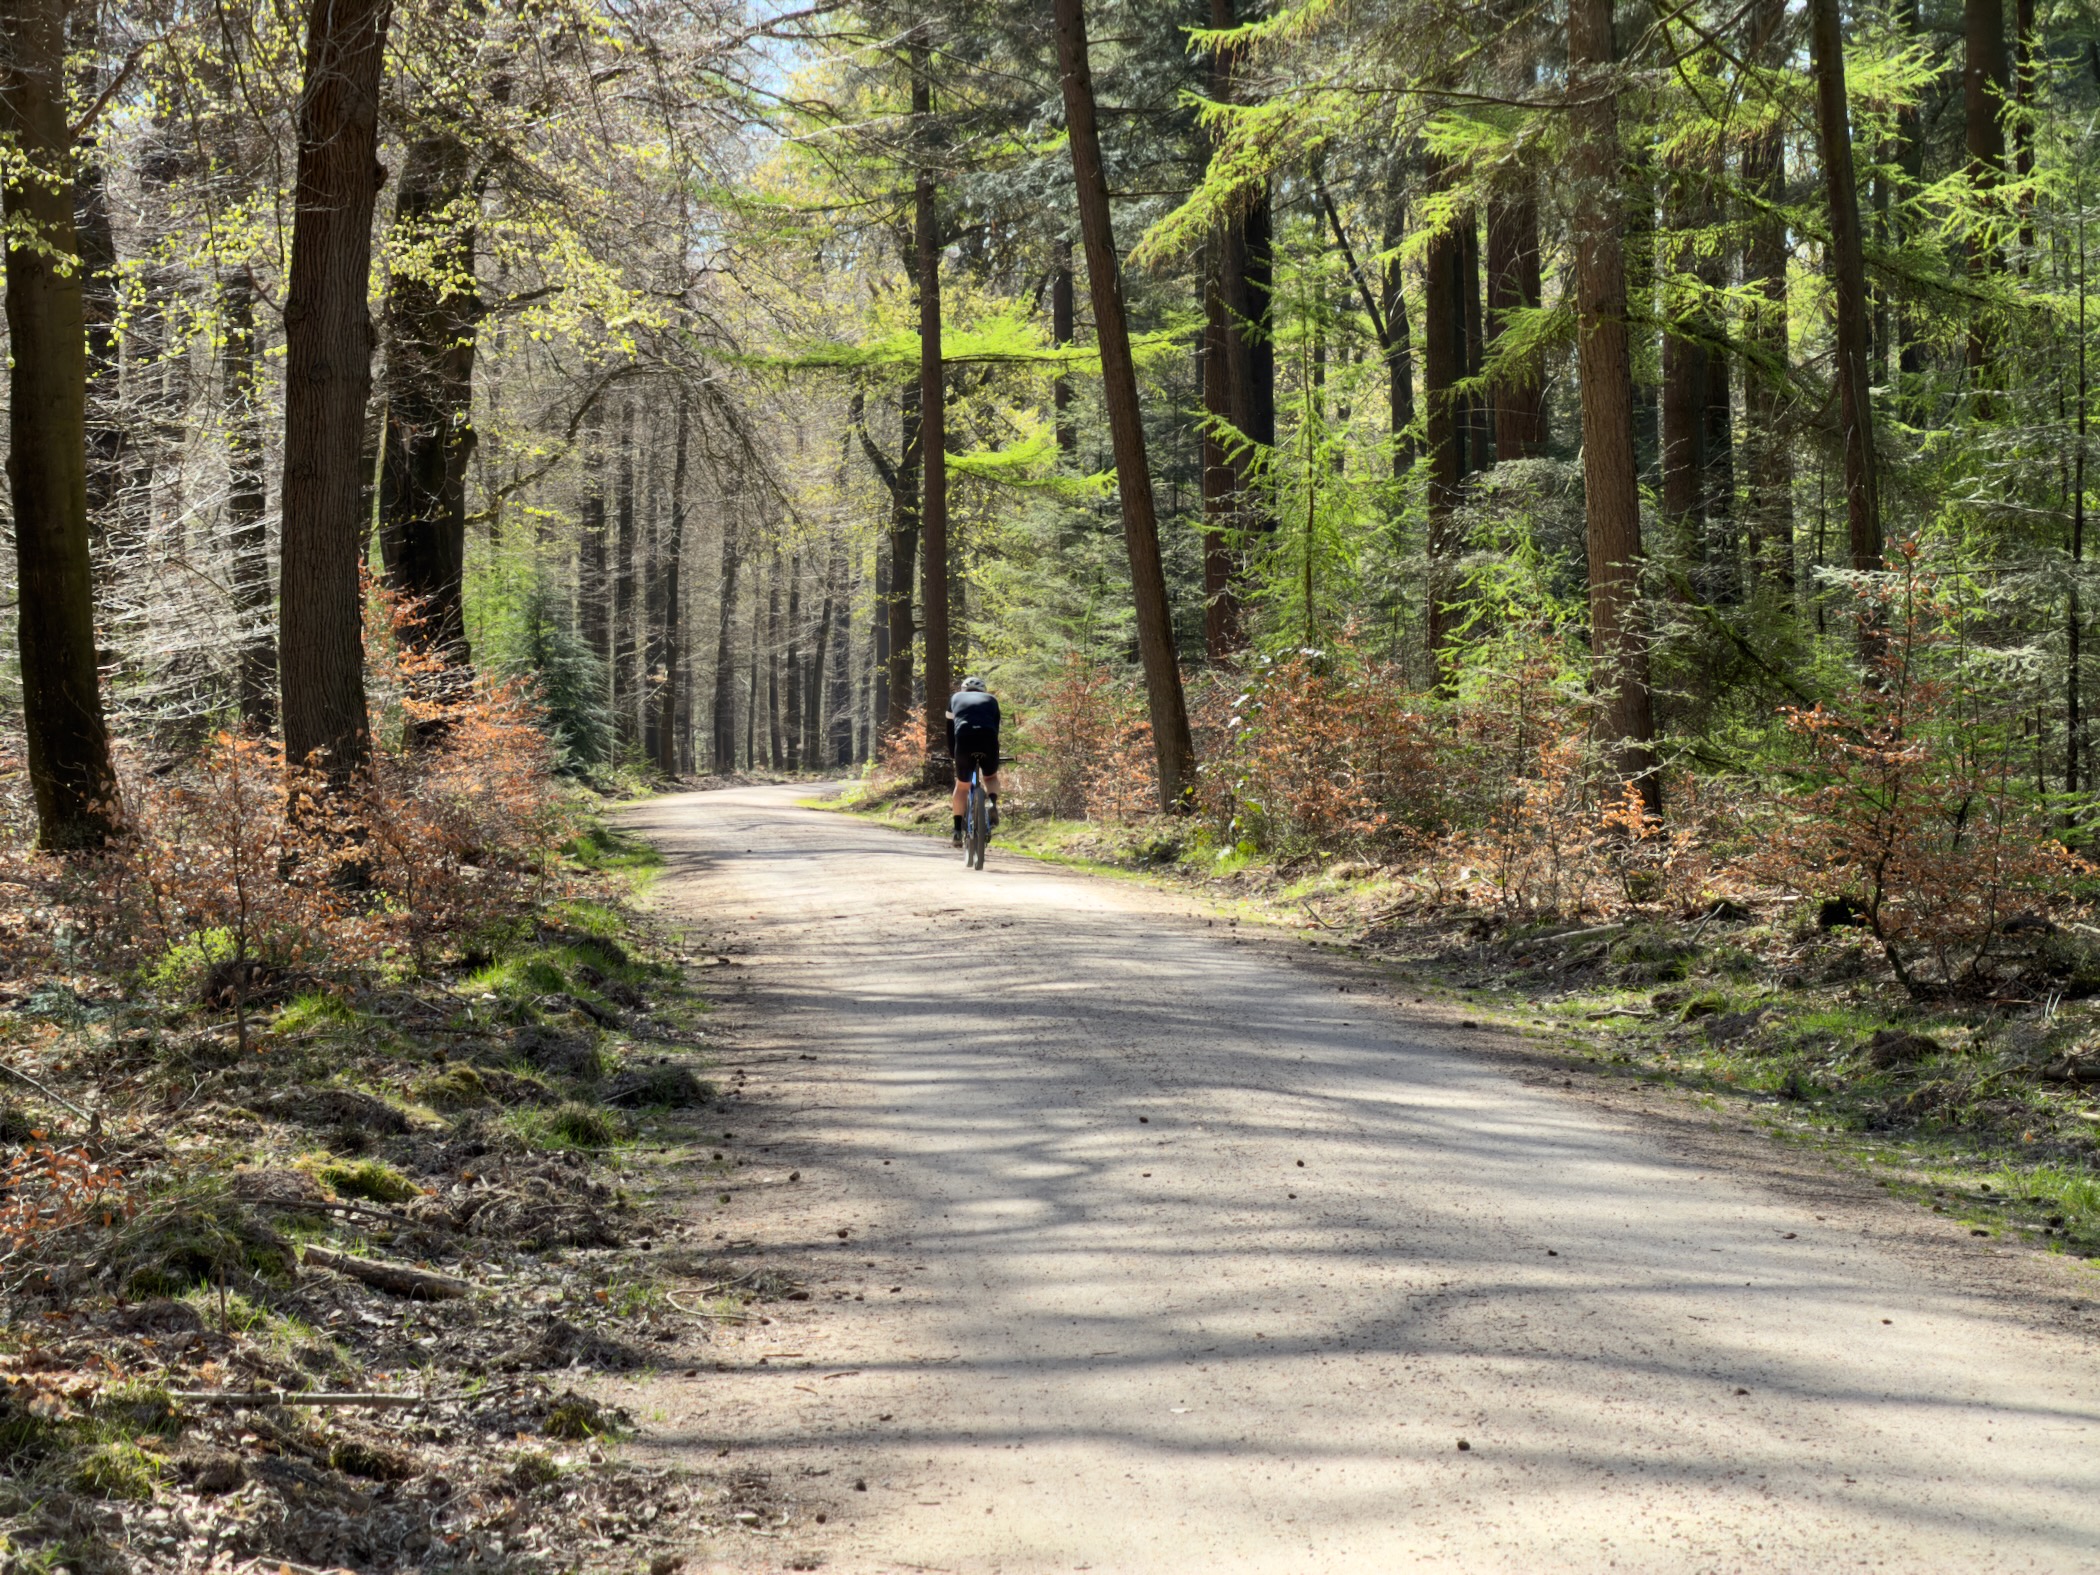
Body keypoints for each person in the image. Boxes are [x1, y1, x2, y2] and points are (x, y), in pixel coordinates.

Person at [947, 676, 1002, 847]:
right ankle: (992, 802)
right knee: (990, 777)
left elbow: (950, 730)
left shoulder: (955, 698)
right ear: (983, 691)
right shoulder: (992, 700)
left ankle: (957, 830)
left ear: (963, 690)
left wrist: (953, 754)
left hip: (964, 739)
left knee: (962, 785)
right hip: (988, 739)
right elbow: (995, 728)